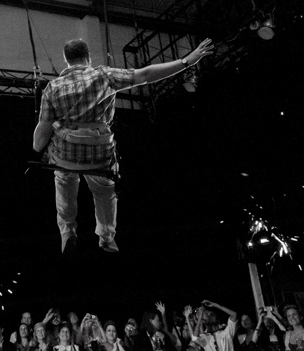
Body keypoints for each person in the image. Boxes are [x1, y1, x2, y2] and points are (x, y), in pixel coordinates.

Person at [33, 38, 213, 253]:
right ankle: (106, 237)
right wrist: (186, 61)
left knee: (63, 181)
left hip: (66, 155)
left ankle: (67, 232)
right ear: (88, 58)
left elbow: (43, 129)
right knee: (104, 191)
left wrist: (37, 148)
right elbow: (145, 74)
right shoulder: (104, 74)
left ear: (66, 60)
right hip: (99, 153)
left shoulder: (53, 87)